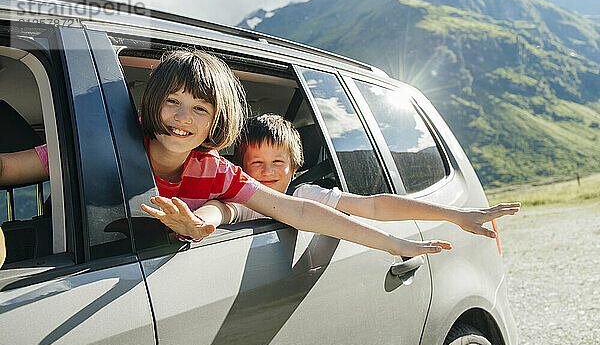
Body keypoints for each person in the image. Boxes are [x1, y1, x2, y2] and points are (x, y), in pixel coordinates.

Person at [0, 50, 451, 259]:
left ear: (215, 123)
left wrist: (395, 243)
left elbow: (299, 210)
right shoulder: (105, 144)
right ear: (153, 102)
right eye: (172, 101)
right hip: (58, 244)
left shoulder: (215, 171)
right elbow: (9, 167)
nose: (182, 117)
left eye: (200, 109)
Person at [196, 114, 520, 239]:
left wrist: (455, 214)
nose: (267, 172)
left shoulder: (304, 195)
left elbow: (375, 207)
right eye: (257, 163)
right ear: (241, 169)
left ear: (294, 166)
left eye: (278, 161)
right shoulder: (244, 199)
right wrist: (199, 221)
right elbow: (224, 209)